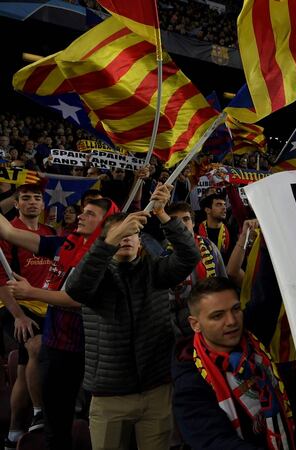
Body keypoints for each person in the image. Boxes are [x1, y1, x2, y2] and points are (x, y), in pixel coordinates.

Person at [63, 184, 199, 450]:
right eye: (119, 234)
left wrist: (162, 215)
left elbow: (189, 256)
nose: (126, 238)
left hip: (156, 390)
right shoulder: (93, 274)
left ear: (141, 241)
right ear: (105, 240)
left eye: (132, 233)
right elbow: (76, 288)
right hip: (108, 396)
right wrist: (108, 241)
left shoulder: (155, 271)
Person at [3, 197, 119, 449]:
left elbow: (79, 300)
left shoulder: (112, 255)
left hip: (94, 350)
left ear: (106, 223)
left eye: (89, 214)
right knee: (56, 420)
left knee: (95, 420)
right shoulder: (64, 243)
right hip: (58, 345)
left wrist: (31, 292)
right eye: (82, 212)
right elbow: (9, 231)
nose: (81, 216)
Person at [172, 277, 295, 450]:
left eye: (236, 309)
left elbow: (268, 294)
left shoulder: (252, 335)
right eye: (217, 316)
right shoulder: (190, 383)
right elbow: (215, 442)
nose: (231, 321)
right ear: (195, 324)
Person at [0, 185, 55, 449]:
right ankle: (39, 412)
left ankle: (12, 435)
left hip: (44, 305)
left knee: (23, 372)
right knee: (36, 346)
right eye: (25, 198)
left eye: (36, 198)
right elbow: (1, 282)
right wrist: (19, 316)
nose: (32, 202)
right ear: (17, 203)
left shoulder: (49, 234)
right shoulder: (6, 234)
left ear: (43, 205)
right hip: (13, 306)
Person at [165, 201, 227, 337]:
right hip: (180, 330)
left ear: (193, 223)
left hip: (214, 322)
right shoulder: (163, 255)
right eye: (175, 221)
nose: (181, 224)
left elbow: (223, 281)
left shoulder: (210, 247)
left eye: (186, 219)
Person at [199, 193, 232, 261]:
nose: (224, 207)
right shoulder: (196, 231)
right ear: (208, 210)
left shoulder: (231, 231)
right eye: (219, 205)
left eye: (224, 204)